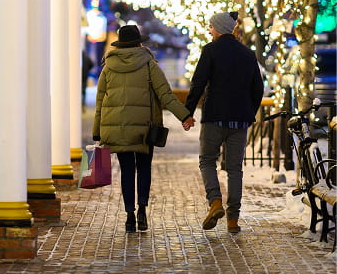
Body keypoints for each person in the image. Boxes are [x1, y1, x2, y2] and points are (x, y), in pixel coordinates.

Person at [92, 25, 195, 233]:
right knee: (144, 168)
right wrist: (185, 115)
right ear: (139, 42)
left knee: (127, 170)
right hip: (145, 129)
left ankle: (129, 215)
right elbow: (165, 95)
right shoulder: (149, 64)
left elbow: (100, 101)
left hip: (117, 128)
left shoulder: (108, 66)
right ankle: (142, 211)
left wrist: (97, 131)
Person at [183, 12, 264, 233]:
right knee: (234, 169)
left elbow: (198, 83)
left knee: (207, 161)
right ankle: (233, 220)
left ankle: (215, 201)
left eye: (211, 27)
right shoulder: (248, 54)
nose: (209, 31)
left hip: (214, 118)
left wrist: (187, 113)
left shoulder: (210, 51)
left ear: (218, 28)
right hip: (240, 120)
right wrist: (249, 112)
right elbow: (258, 88)